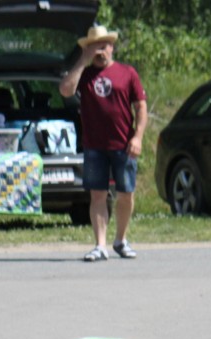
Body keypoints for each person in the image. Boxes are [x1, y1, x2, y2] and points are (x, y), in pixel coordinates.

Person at [59, 25, 147, 263]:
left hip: (123, 144)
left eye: (104, 45)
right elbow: (65, 90)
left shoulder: (127, 73)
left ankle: (121, 240)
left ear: (112, 47)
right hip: (94, 146)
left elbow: (140, 107)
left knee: (126, 194)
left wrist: (138, 137)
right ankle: (100, 245)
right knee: (97, 195)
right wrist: (83, 60)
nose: (100, 51)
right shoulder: (85, 74)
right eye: (95, 46)